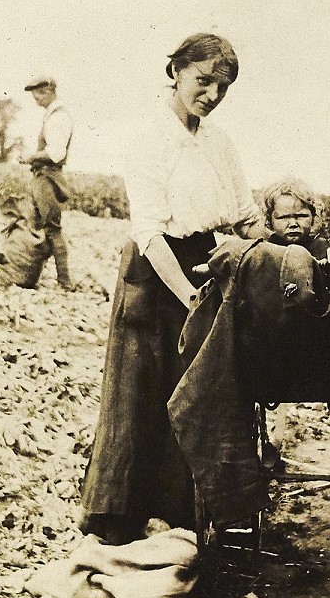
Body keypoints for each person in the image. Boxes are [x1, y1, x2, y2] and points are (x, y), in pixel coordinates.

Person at [79, 33, 266, 545]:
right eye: (203, 81)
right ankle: (118, 520)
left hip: (207, 265)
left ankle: (178, 518)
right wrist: (188, 296)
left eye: (222, 87)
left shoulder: (220, 142)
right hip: (155, 270)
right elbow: (147, 230)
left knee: (193, 390)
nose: (211, 94)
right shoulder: (148, 137)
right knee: (141, 391)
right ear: (177, 72)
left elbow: (246, 214)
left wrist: (282, 251)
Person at [262, 175, 330, 457]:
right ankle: (273, 436)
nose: (293, 222)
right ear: (270, 221)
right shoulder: (266, 252)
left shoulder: (323, 248)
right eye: (284, 216)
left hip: (320, 343)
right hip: (276, 345)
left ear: (314, 218)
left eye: (301, 215)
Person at [22, 75, 74, 290]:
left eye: (38, 94)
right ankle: (28, 275)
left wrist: (31, 157)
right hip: (44, 176)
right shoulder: (53, 116)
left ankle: (65, 281)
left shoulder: (57, 118)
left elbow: (55, 152)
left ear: (48, 91)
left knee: (52, 228)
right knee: (39, 226)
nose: (35, 99)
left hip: (47, 177)